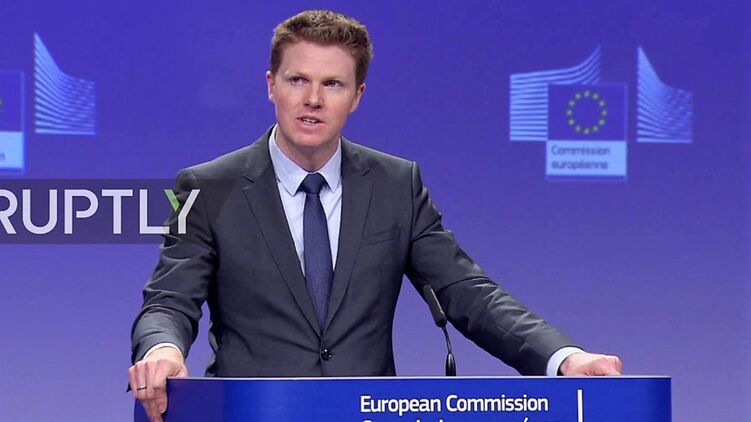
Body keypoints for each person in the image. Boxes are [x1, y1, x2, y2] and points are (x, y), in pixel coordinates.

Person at [128, 9, 622, 422]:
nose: (313, 99)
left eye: (332, 83)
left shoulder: (395, 185)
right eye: (298, 80)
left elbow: (467, 292)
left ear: (357, 95)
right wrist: (161, 350)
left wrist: (562, 357)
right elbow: (169, 301)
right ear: (271, 85)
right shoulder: (207, 187)